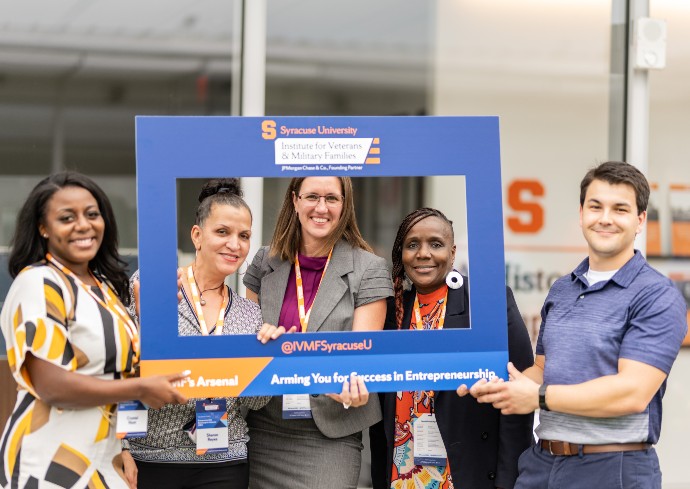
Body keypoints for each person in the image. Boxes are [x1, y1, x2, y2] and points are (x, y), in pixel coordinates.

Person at [468, 161, 688, 489]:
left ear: (640, 220)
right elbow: (543, 370)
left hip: (613, 468)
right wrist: (496, 384)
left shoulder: (657, 295)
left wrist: (539, 397)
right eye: (596, 206)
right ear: (581, 212)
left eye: (620, 209)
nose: (605, 218)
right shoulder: (563, 289)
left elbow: (632, 393)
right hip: (541, 465)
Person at [0, 171, 187, 489]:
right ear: (43, 228)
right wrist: (139, 390)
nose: (83, 225)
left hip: (102, 460)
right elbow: (50, 384)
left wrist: (150, 320)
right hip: (49, 461)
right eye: (66, 217)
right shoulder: (39, 282)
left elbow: (123, 369)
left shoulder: (103, 288)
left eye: (92, 214)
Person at [243, 176, 393, 489]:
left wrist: (355, 383)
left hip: (330, 432)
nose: (321, 207)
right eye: (312, 196)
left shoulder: (370, 268)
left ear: (344, 204)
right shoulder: (264, 261)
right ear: (295, 200)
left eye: (332, 198)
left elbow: (360, 360)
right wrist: (262, 341)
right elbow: (249, 346)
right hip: (263, 428)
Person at [369, 207, 534, 489]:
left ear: (453, 252)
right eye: (412, 245)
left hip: (466, 472)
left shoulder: (486, 302)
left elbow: (518, 391)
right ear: (401, 255)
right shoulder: (390, 311)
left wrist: (508, 480)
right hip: (403, 471)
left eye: (435, 244)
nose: (423, 253)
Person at [121, 179, 271, 489]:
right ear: (197, 235)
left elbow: (257, 402)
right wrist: (121, 449)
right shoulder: (156, 287)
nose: (235, 244)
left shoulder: (249, 314)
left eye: (244, 236)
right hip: (151, 458)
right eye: (222, 232)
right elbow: (123, 370)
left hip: (225, 460)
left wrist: (265, 358)